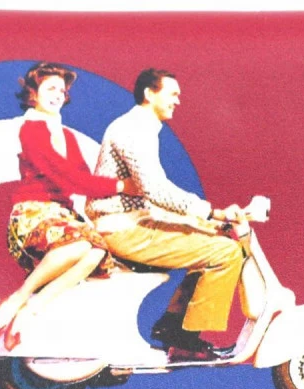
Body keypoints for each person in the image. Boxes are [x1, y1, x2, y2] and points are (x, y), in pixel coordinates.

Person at [86, 68, 247, 361]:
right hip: (122, 229)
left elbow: (148, 197)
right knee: (226, 253)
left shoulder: (142, 128)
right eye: (172, 94)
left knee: (212, 237)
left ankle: (171, 326)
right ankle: (184, 339)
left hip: (131, 222)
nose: (178, 101)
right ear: (150, 94)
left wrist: (202, 221)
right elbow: (156, 190)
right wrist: (213, 212)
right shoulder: (132, 129)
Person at [0, 63, 138, 349]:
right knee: (81, 246)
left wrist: (130, 191)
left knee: (96, 251)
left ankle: (33, 308)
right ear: (33, 94)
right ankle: (19, 298)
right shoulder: (31, 130)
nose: (58, 94)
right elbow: (66, 177)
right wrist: (121, 186)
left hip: (63, 216)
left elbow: (85, 179)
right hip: (33, 214)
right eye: (50, 88)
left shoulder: (66, 135)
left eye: (61, 90)